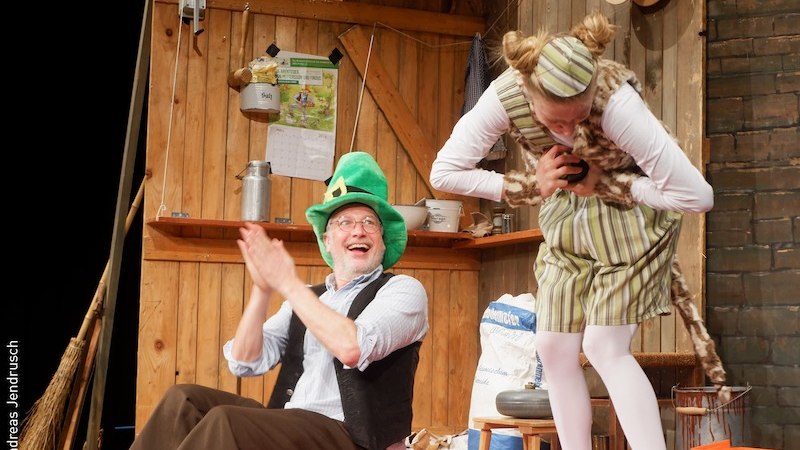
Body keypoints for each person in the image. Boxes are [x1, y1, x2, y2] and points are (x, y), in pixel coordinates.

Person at [430, 13, 714, 450]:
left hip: (632, 225)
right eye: (556, 122)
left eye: (578, 118)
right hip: (566, 224)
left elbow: (697, 196)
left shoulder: (618, 106)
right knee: (553, 347)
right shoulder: (507, 94)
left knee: (604, 346)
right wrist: (530, 185)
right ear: (529, 91)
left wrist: (613, 184)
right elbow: (445, 172)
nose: (570, 133)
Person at [130, 151, 429, 450]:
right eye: (344, 222)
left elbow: (354, 348)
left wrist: (287, 282)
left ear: (382, 238)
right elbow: (244, 362)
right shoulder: (309, 298)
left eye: (369, 222)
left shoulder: (402, 290)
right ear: (326, 239)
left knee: (226, 420)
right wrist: (262, 290)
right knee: (181, 400)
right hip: (294, 424)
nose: (358, 231)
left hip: (352, 436)